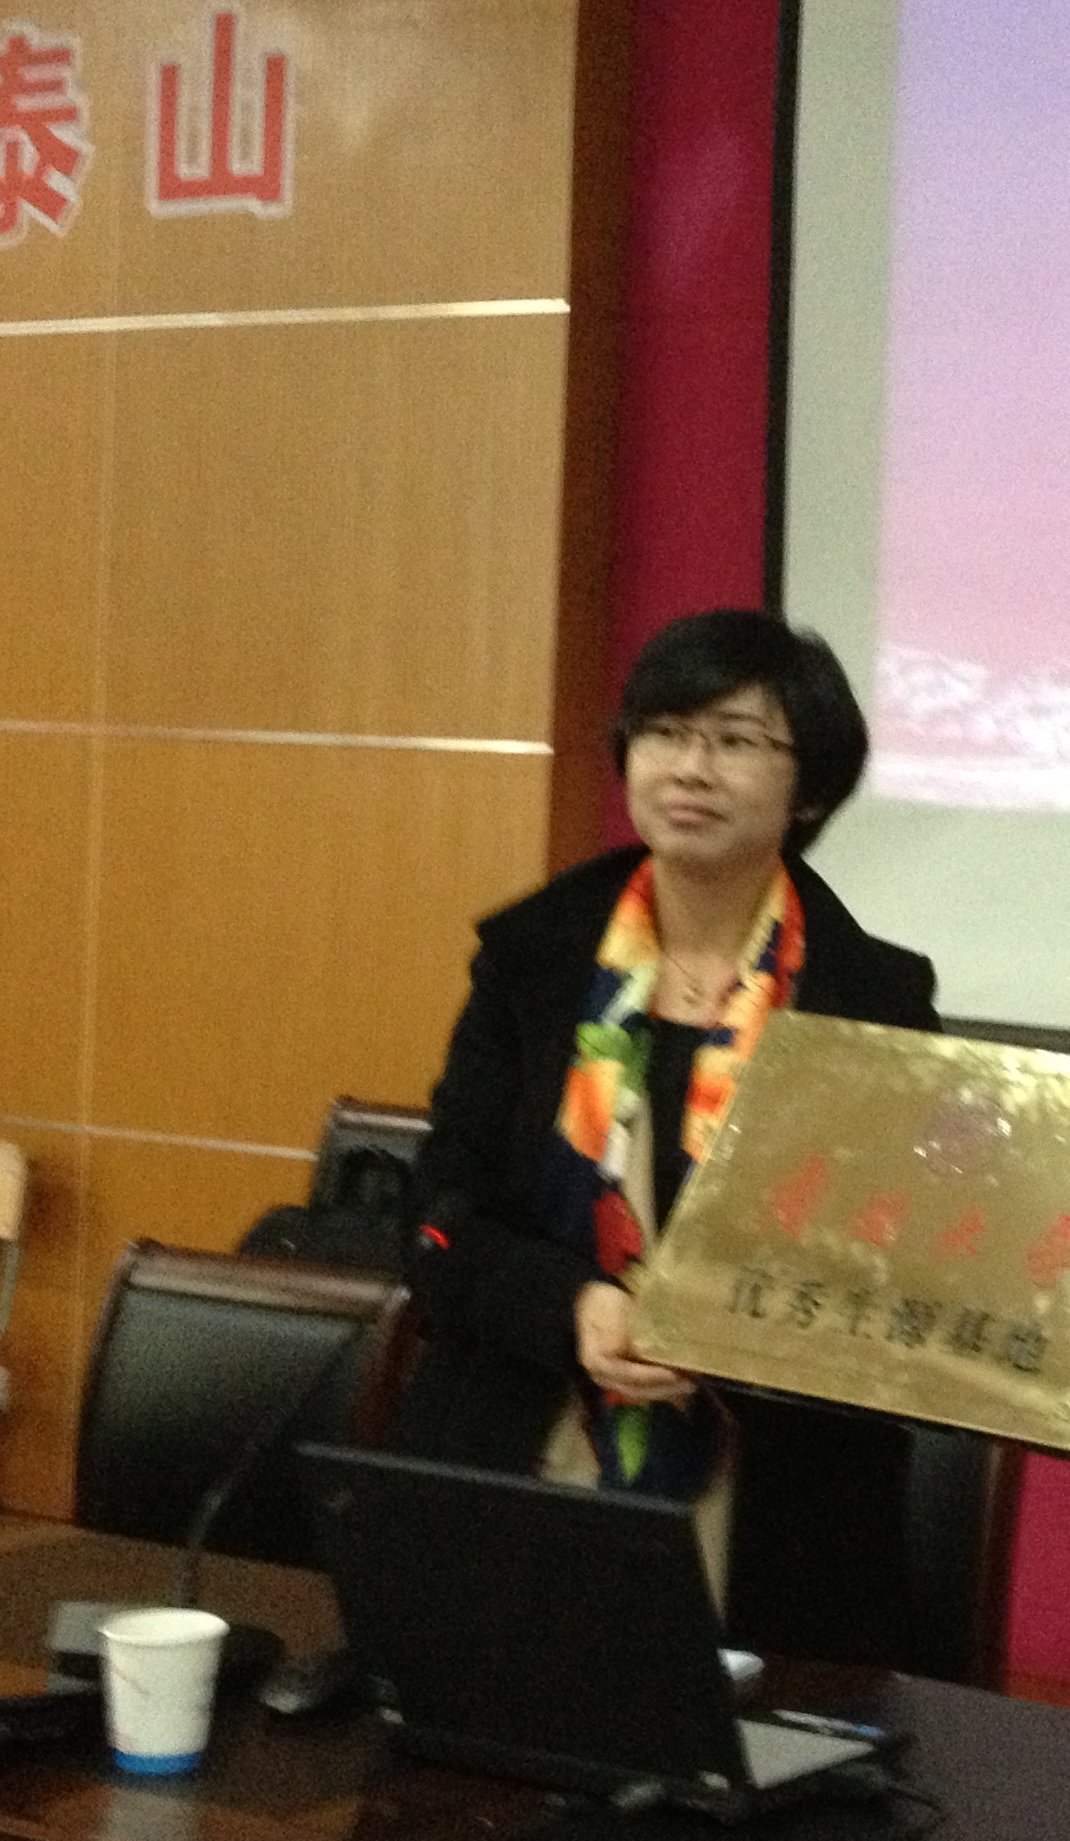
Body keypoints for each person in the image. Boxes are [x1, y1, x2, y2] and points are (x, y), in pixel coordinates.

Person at [390, 610, 942, 1662]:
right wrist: (573, 1304)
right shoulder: (534, 958)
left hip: (771, 1493)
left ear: (810, 788)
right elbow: (440, 1216)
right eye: (665, 733)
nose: (691, 768)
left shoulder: (873, 999)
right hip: (525, 1442)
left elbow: (900, 1268)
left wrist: (735, 1326)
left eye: (736, 740)